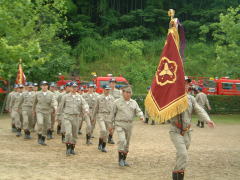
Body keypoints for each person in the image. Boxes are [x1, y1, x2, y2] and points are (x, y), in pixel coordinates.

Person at [170, 76, 215, 180]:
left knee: (181, 156)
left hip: (187, 132)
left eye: (187, 83)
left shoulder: (191, 98)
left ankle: (176, 175)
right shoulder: (172, 98)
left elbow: (199, 110)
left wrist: (208, 120)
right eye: (183, 83)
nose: (186, 85)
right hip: (175, 131)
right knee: (183, 154)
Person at [111, 86, 144, 167]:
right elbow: (112, 114)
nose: (129, 94)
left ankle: (124, 159)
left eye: (130, 93)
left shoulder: (134, 102)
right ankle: (120, 159)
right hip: (119, 124)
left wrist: (141, 116)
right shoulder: (117, 102)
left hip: (129, 125)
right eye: (127, 92)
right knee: (122, 140)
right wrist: (111, 125)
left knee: (127, 144)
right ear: (123, 93)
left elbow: (138, 110)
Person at [58, 82, 89, 155]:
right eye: (72, 87)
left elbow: (84, 104)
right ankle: (68, 148)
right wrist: (58, 116)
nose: (74, 88)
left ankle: (72, 148)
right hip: (67, 117)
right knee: (68, 133)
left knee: (75, 134)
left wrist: (86, 109)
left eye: (75, 87)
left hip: (76, 117)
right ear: (70, 88)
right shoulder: (65, 97)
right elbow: (61, 107)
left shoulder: (80, 97)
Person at [33, 81, 57, 146]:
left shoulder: (51, 94)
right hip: (39, 111)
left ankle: (43, 139)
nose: (44, 86)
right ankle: (39, 136)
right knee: (40, 123)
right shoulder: (37, 94)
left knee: (46, 126)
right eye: (43, 85)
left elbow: (54, 101)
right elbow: (34, 103)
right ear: (40, 86)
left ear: (47, 86)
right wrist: (33, 111)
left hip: (47, 111)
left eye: (46, 85)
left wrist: (55, 107)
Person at [93, 85, 115, 152]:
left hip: (109, 116)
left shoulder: (112, 98)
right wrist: (93, 117)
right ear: (103, 89)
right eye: (106, 89)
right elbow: (96, 108)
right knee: (103, 130)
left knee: (106, 132)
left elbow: (114, 109)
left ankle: (103, 145)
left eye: (108, 89)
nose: (107, 90)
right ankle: (101, 144)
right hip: (101, 115)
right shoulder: (99, 98)